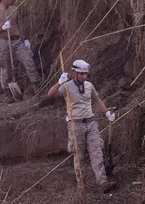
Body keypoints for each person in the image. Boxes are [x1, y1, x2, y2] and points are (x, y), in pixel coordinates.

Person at [47, 59, 117, 192]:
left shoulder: (89, 86)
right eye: (82, 74)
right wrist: (59, 83)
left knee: (97, 152)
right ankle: (82, 187)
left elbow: (97, 100)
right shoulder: (66, 87)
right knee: (79, 157)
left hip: (91, 123)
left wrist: (107, 112)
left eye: (86, 74)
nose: (84, 76)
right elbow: (50, 95)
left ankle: (102, 182)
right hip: (75, 125)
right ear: (75, 73)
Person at [0, 0, 41, 103]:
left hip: (17, 41)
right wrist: (2, 28)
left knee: (28, 61)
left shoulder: (15, 10)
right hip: (3, 42)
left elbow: (21, 26)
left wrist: (26, 39)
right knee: (6, 67)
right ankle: (8, 93)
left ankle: (37, 88)